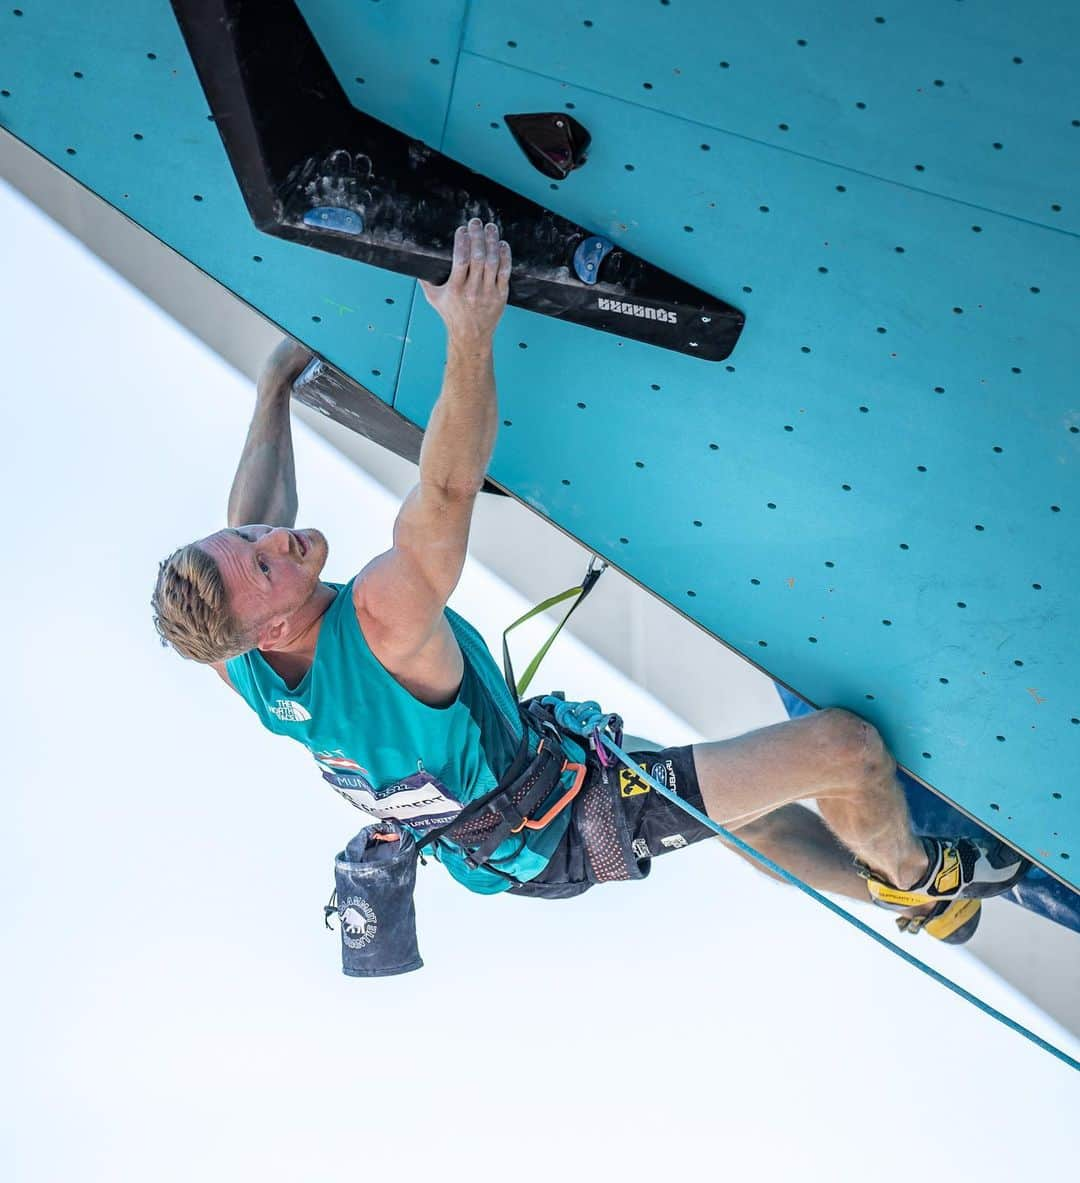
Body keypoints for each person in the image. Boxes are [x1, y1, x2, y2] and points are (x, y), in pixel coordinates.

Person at [151, 218, 1028, 944]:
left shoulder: (240, 662)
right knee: (844, 751)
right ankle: (921, 881)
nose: (281, 538)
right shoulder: (381, 622)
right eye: (267, 564)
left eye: (251, 539)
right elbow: (448, 489)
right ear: (269, 627)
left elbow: (248, 515)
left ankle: (890, 892)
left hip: (524, 800)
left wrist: (273, 389)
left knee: (747, 813)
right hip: (565, 827)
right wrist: (470, 333)